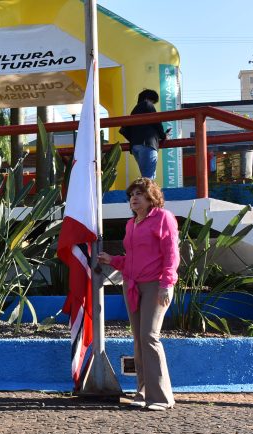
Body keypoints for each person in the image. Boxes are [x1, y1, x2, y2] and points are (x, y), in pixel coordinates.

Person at [98, 178, 179, 411]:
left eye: (140, 194)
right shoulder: (131, 224)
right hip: (132, 285)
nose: (134, 198)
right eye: (131, 194)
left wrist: (166, 284)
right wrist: (112, 261)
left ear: (151, 196)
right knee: (138, 340)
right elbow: (133, 260)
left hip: (157, 285)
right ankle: (143, 392)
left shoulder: (164, 218)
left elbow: (171, 255)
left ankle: (162, 397)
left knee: (150, 337)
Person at [119, 89, 169, 179]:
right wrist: (163, 135)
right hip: (147, 144)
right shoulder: (147, 104)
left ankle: (144, 192)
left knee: (146, 175)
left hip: (135, 146)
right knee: (149, 178)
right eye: (153, 101)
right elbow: (157, 122)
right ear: (148, 98)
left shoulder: (135, 110)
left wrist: (135, 139)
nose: (152, 104)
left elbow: (124, 129)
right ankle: (145, 193)